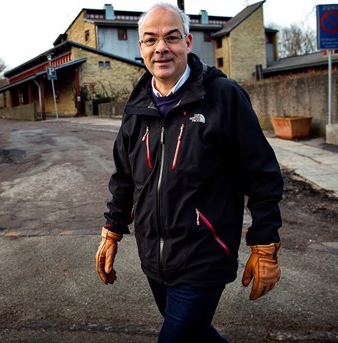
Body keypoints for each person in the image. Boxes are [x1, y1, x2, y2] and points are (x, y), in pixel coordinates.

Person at [95, 3, 283, 342]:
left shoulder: (223, 97)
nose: (161, 48)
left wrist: (265, 241)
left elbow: (262, 174)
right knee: (194, 335)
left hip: (205, 257)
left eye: (171, 38)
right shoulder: (136, 108)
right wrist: (112, 230)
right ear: (141, 48)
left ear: (188, 42)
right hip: (154, 258)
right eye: (150, 40)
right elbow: (124, 178)